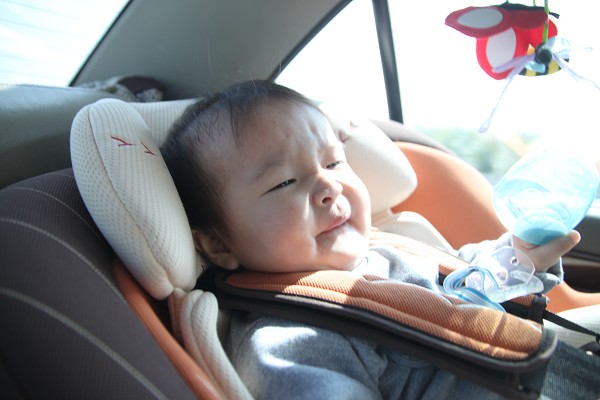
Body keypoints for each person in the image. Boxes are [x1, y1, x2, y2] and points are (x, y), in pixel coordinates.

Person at [160, 80, 580, 399]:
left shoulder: (388, 247)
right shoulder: (290, 336)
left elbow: (462, 286)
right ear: (220, 245)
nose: (329, 186)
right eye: (284, 181)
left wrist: (517, 256)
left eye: (333, 162)